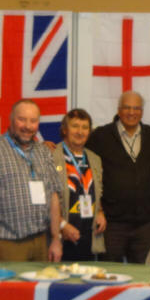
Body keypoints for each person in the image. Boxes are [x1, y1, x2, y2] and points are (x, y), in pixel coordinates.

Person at [0, 99, 63, 262]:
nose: (28, 126)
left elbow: (54, 196)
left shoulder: (44, 152)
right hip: (8, 244)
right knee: (11, 281)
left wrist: (56, 238)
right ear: (11, 119)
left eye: (33, 121)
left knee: (42, 280)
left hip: (42, 242)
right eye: (22, 119)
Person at [85, 91, 150, 263]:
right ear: (118, 110)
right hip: (111, 225)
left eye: (136, 108)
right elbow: (80, 156)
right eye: (127, 108)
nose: (131, 112)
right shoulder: (101, 136)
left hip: (144, 225)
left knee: (145, 275)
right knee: (110, 274)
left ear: (142, 112)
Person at [53, 108, 106, 260]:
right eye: (75, 126)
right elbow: (46, 199)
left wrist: (100, 211)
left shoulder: (95, 159)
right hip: (61, 235)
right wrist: (62, 225)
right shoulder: (51, 156)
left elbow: (98, 190)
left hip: (89, 234)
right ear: (65, 130)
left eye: (85, 127)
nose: (80, 132)